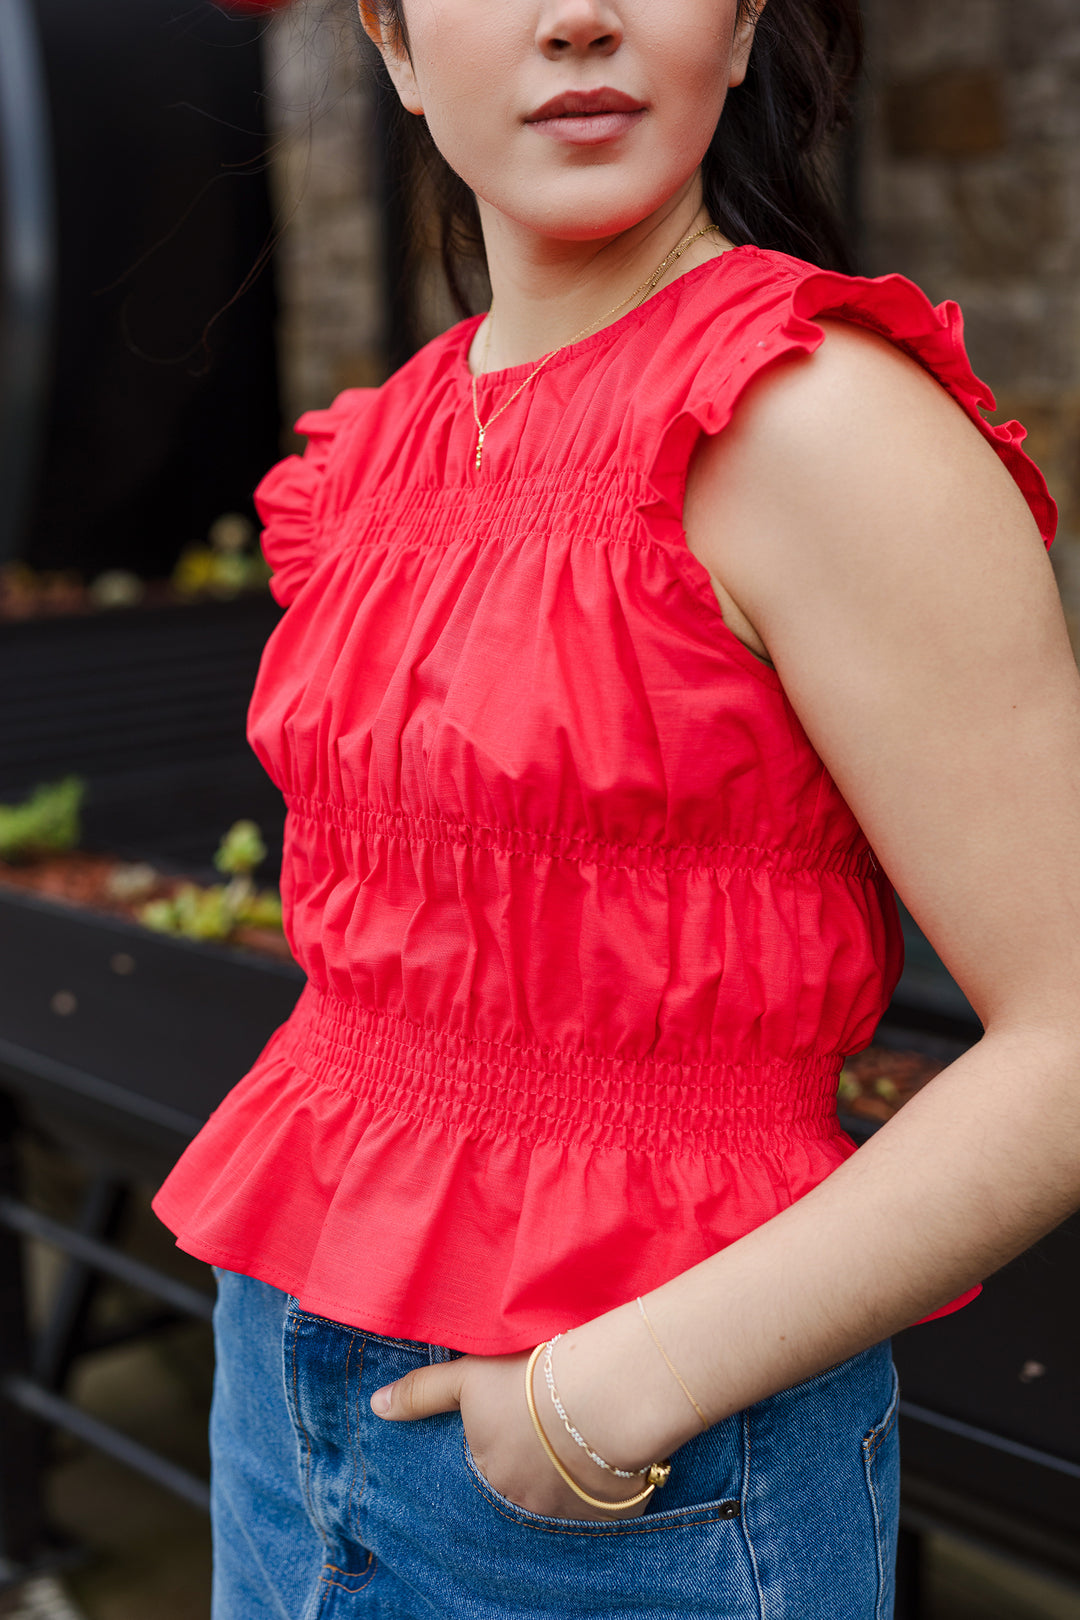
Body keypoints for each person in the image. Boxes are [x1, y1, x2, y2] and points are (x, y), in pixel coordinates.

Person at [152, 1, 1080, 1615]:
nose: (578, 16)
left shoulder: (817, 421)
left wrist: (603, 1399)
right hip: (284, 1396)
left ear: (737, 32)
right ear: (390, 42)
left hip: (625, 1474)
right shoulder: (387, 447)